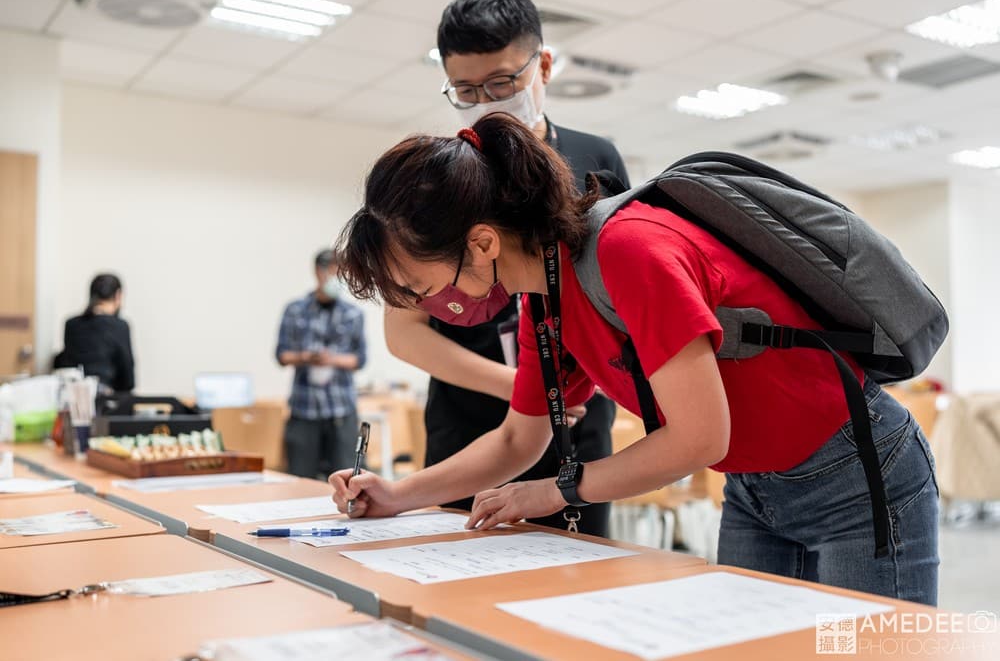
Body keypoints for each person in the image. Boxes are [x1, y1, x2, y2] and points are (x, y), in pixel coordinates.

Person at [329, 113, 940, 606]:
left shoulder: (629, 253)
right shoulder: (546, 296)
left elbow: (699, 437)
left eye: (418, 283)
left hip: (857, 473)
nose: (426, 304)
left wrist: (558, 491)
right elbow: (519, 439)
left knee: (870, 652)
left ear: (482, 242)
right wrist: (397, 495)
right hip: (755, 487)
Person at [382, 0, 630, 537]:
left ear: (541, 65)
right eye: (465, 90)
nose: (485, 102)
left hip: (578, 421)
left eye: (500, 84)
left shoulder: (596, 161)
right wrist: (521, 386)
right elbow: (404, 334)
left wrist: (562, 392)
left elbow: (615, 301)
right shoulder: (440, 180)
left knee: (582, 580)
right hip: (472, 428)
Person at [276, 249, 367, 479]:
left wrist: (332, 359)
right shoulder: (295, 310)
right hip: (304, 408)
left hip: (341, 410)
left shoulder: (353, 314)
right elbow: (282, 355)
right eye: (334, 272)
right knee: (299, 480)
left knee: (349, 478)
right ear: (318, 271)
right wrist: (307, 357)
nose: (338, 279)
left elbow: (360, 359)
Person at [55, 273, 135, 393]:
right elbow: (128, 380)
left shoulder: (71, 324)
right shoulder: (119, 326)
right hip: (106, 399)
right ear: (118, 296)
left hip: (72, 396)